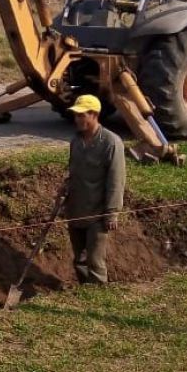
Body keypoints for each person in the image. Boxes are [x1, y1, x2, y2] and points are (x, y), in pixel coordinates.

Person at [64, 94, 126, 284]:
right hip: (76, 210)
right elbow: (73, 171)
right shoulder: (76, 141)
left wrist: (112, 212)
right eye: (76, 115)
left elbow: (116, 180)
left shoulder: (111, 143)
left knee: (95, 259)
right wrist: (65, 191)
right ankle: (85, 290)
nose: (77, 119)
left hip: (97, 214)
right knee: (79, 258)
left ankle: (99, 293)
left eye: (82, 115)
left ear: (94, 115)